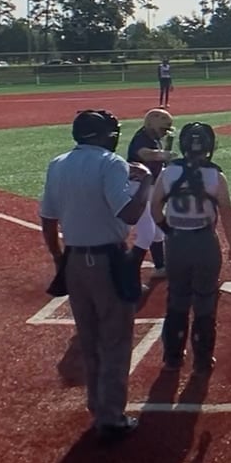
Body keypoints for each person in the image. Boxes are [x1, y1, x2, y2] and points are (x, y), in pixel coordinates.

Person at [39, 110, 153, 441]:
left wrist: (58, 258)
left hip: (74, 259)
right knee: (115, 339)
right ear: (104, 135)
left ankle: (97, 405)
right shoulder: (111, 162)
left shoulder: (58, 163)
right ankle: (112, 417)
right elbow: (129, 213)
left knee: (89, 339)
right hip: (108, 259)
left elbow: (48, 218)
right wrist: (146, 181)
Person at [152, 122, 231, 375]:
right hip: (204, 242)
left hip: (177, 242)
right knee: (205, 300)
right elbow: (226, 213)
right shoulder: (216, 175)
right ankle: (202, 360)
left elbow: (154, 207)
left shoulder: (169, 172)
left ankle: (173, 357)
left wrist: (168, 230)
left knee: (177, 298)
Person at [127, 109, 175, 279]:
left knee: (156, 232)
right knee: (146, 232)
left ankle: (160, 266)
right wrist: (164, 155)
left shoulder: (153, 139)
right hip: (138, 188)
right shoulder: (142, 138)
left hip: (148, 187)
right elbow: (145, 154)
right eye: (164, 127)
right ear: (152, 122)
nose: (166, 131)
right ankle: (129, 273)